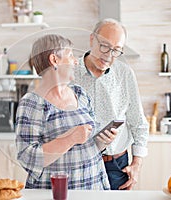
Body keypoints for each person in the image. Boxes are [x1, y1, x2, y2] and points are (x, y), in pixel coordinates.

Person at [15, 34, 117, 190]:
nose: (76, 61)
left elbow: (89, 144)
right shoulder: (32, 103)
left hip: (94, 188)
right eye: (70, 55)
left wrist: (103, 140)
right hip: (57, 193)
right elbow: (28, 158)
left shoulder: (80, 94)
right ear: (54, 60)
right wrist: (69, 138)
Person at [73, 18, 149, 190]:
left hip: (116, 166)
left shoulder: (124, 73)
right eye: (104, 46)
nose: (108, 55)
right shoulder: (70, 70)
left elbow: (138, 122)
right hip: (77, 165)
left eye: (116, 50)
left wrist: (136, 164)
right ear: (92, 39)